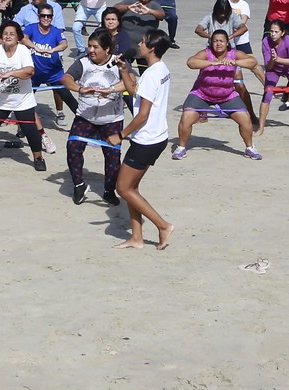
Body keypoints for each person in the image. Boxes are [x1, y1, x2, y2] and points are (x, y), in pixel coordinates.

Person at [113, 32, 175, 250]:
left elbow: (142, 115)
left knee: (122, 188)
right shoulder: (161, 69)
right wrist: (123, 70)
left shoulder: (151, 75)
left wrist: (121, 135)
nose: (138, 44)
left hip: (146, 140)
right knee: (132, 188)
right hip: (157, 137)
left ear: (151, 48)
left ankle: (162, 225)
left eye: (142, 41)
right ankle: (137, 237)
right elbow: (133, 92)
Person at [0, 21, 46, 174]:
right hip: (0, 100)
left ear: (18, 37)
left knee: (30, 130)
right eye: (5, 33)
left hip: (22, 101)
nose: (8, 36)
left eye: (12, 34)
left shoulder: (23, 51)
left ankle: (38, 158)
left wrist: (10, 73)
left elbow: (30, 71)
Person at [173, 30, 261, 160]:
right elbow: (191, 62)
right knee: (186, 117)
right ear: (211, 42)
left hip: (227, 95)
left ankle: (250, 148)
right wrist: (212, 63)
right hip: (202, 93)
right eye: (215, 41)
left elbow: (252, 62)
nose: (218, 43)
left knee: (245, 118)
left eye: (221, 41)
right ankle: (181, 148)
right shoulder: (206, 53)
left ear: (227, 43)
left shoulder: (234, 54)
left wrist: (235, 62)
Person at [63, 29, 127, 206]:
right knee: (73, 147)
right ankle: (79, 185)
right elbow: (66, 78)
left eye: (95, 47)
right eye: (89, 46)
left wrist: (111, 90)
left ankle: (109, 191)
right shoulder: (83, 63)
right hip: (85, 116)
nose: (90, 50)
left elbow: (130, 83)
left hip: (112, 118)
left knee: (113, 156)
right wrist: (80, 89)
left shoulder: (118, 63)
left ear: (107, 49)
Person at [22, 1, 76, 139]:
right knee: (24, 101)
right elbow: (23, 38)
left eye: (49, 16)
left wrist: (53, 49)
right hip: (35, 74)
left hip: (54, 73)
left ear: (52, 17)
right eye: (43, 16)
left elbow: (64, 44)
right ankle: (23, 127)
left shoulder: (56, 31)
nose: (46, 19)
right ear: (39, 16)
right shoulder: (31, 28)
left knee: (69, 98)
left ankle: (85, 125)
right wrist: (34, 47)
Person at [110, 0, 166, 66]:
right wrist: (128, 7)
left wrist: (149, 11)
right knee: (122, 71)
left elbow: (162, 15)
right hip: (126, 46)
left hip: (145, 47)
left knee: (146, 74)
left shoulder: (154, 5)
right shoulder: (130, 1)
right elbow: (115, 8)